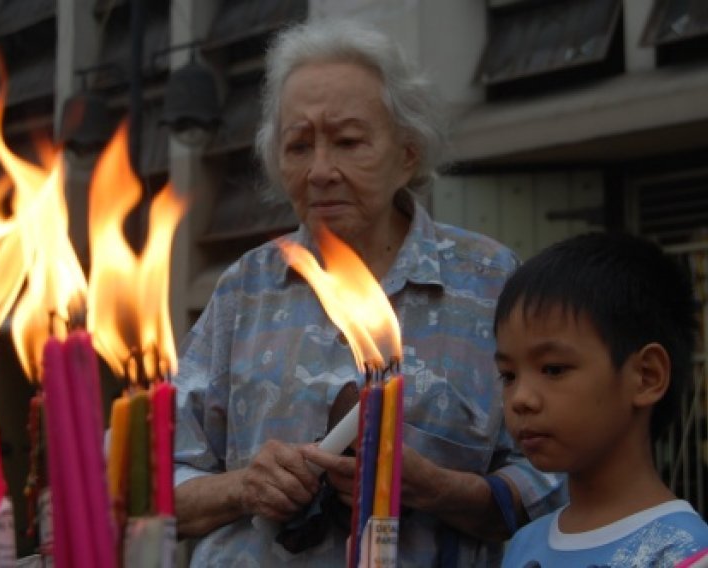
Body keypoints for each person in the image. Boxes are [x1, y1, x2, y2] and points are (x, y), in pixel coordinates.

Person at [174, 18, 564, 566]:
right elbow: (155, 483)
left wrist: (436, 489)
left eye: (349, 141)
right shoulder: (244, 290)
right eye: (298, 145)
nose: (320, 170)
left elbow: (557, 477)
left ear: (408, 154)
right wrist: (243, 486)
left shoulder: (490, 281)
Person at [495, 232, 708, 567]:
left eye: (553, 369)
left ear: (646, 377)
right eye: (508, 375)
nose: (520, 399)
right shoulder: (524, 546)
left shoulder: (684, 553)